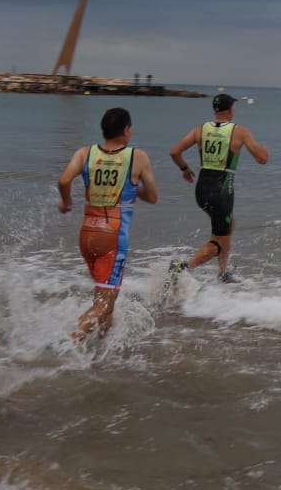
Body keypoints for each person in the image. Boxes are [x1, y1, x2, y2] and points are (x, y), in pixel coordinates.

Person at [57, 106, 159, 342]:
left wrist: (66, 202)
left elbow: (63, 180)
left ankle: (103, 347)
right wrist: (132, 188)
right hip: (112, 236)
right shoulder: (137, 157)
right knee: (105, 301)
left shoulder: (85, 153)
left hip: (87, 233)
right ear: (126, 130)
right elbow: (153, 197)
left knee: (105, 297)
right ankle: (67, 344)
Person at [167, 93, 269, 283]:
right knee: (218, 242)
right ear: (230, 109)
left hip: (202, 188)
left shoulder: (200, 130)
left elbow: (174, 151)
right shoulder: (240, 132)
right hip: (222, 191)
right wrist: (265, 151)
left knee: (229, 225)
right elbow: (262, 159)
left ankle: (223, 272)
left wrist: (185, 169)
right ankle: (182, 268)